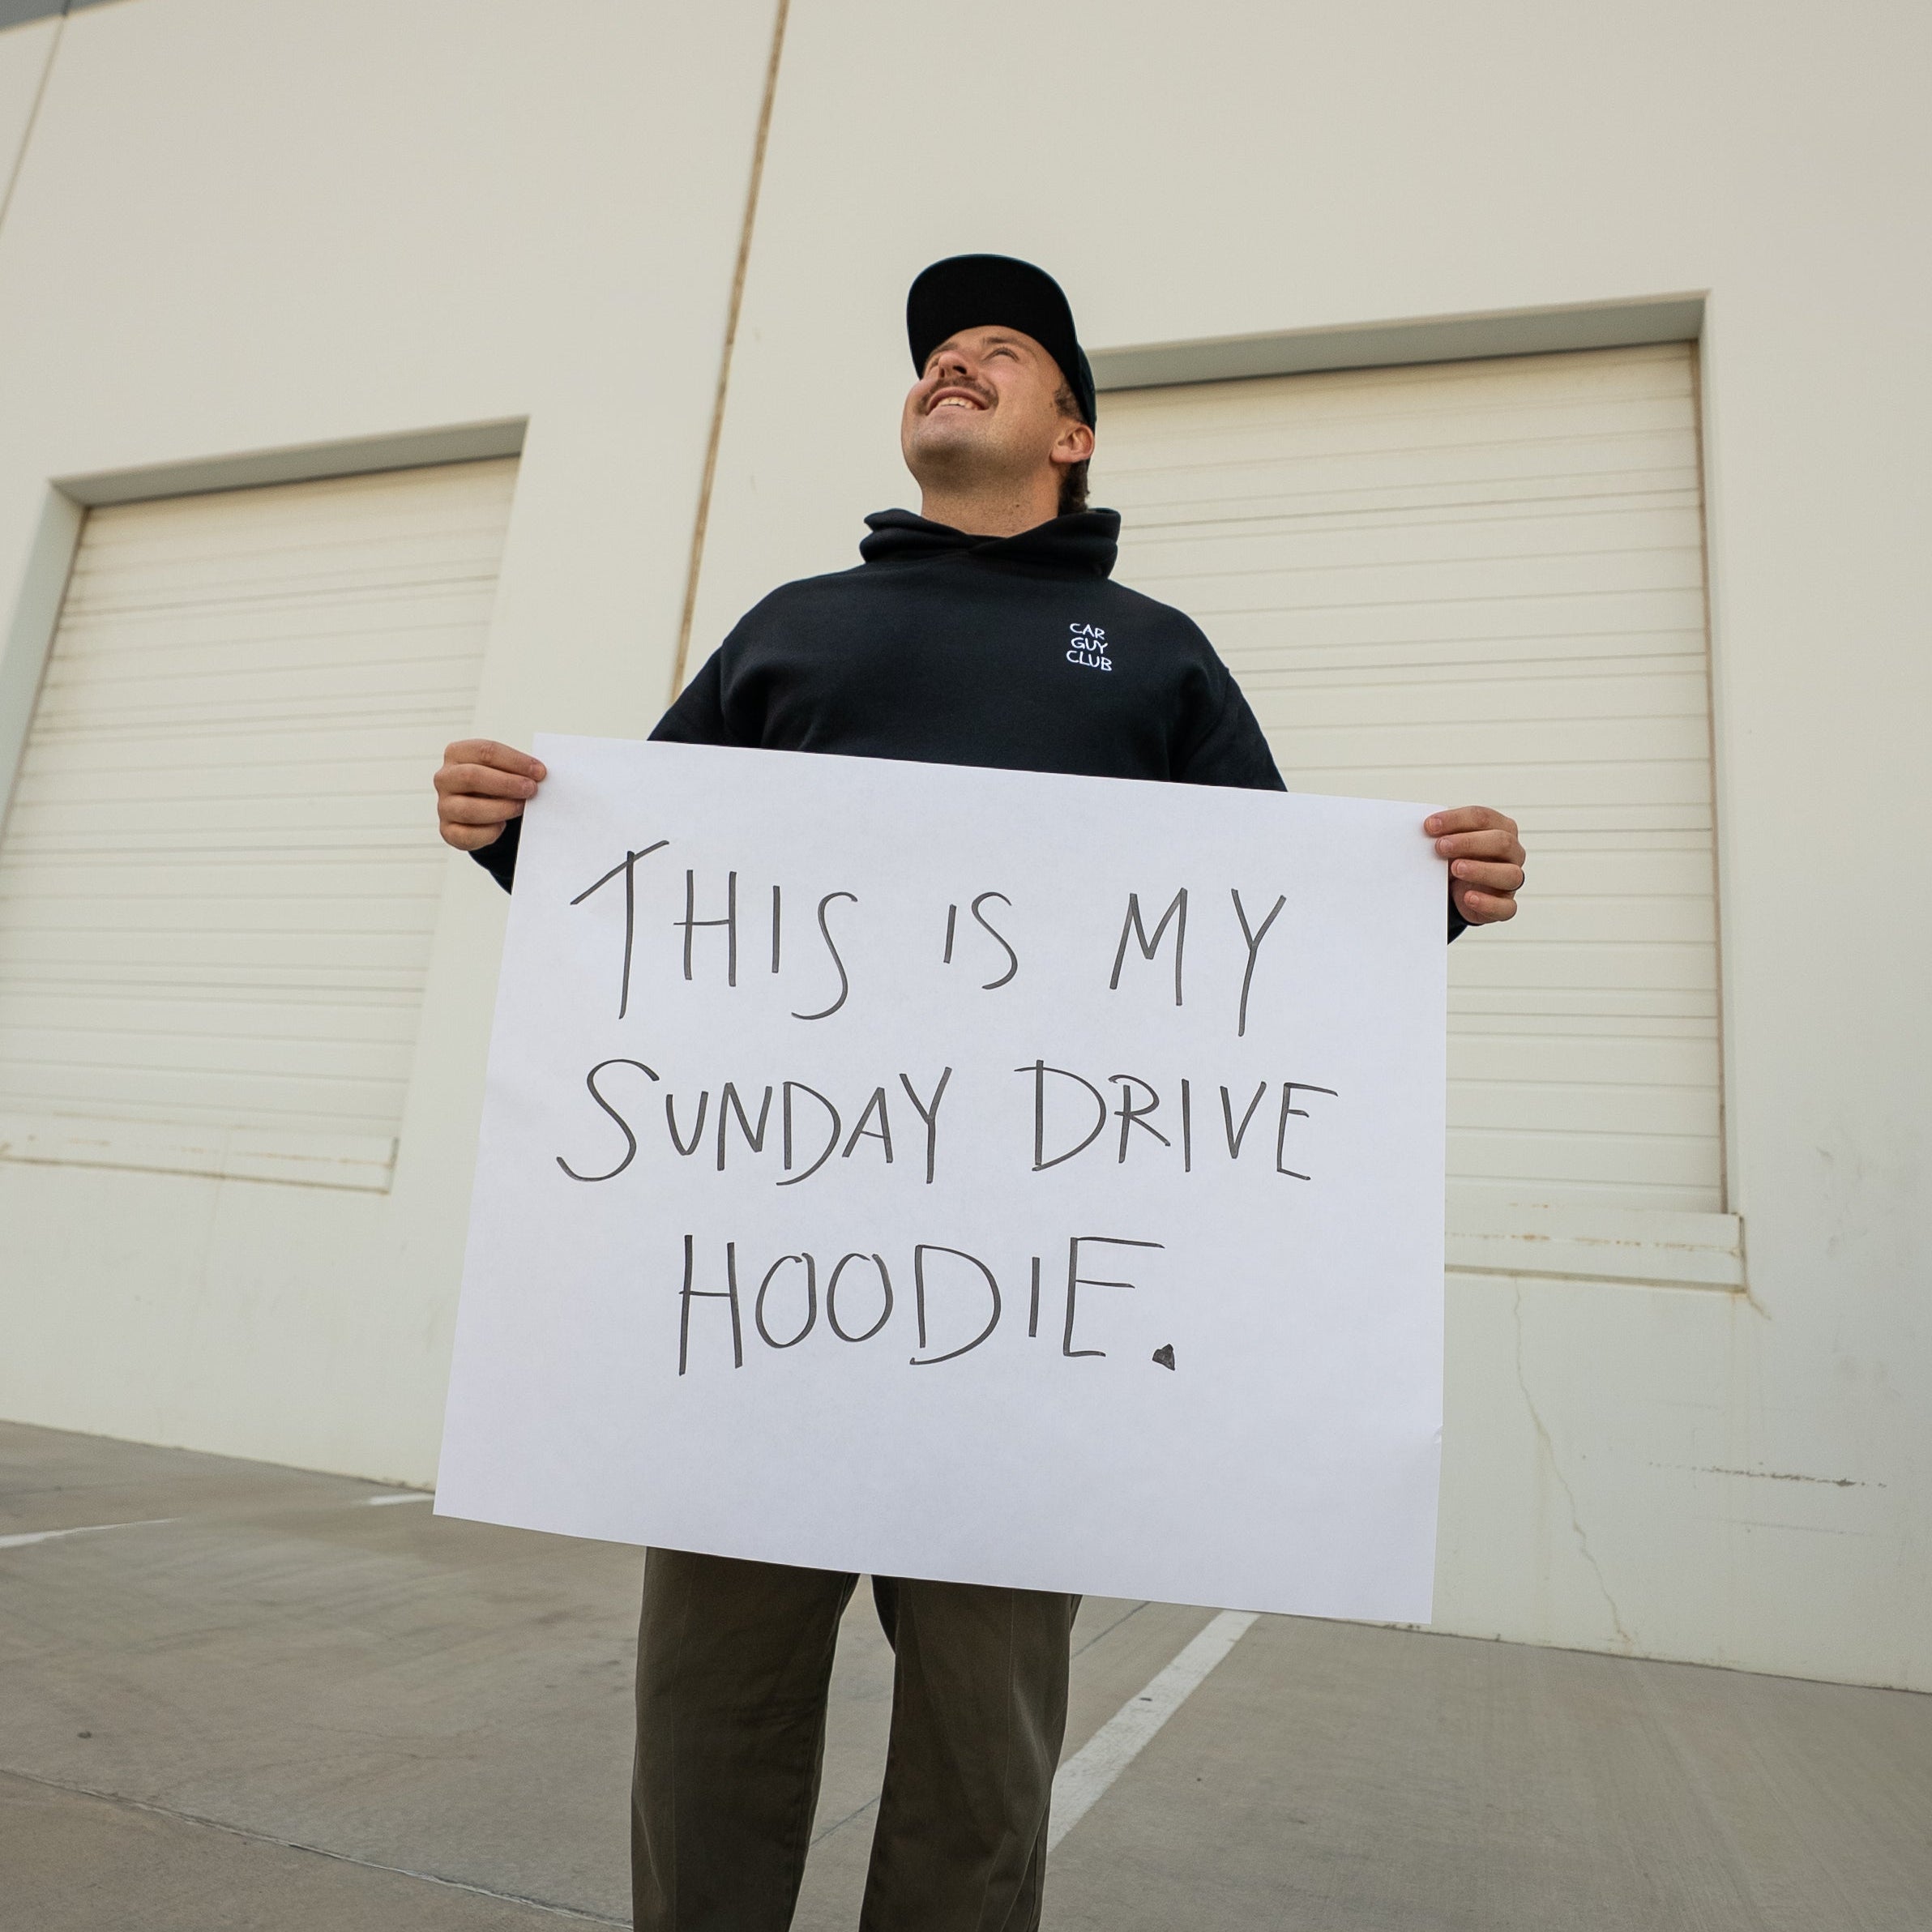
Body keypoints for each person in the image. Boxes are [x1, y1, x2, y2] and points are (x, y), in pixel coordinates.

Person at [434, 255, 1525, 1932]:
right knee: (710, 1719)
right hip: (766, 1283)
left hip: (1036, 1322)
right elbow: (653, 907)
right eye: (936, 350)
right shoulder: (792, 627)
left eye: (997, 350)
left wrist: (1421, 897)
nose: (951, 361)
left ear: (1071, 433)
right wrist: (522, 834)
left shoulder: (1153, 656)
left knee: (982, 1748)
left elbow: (1261, 949)